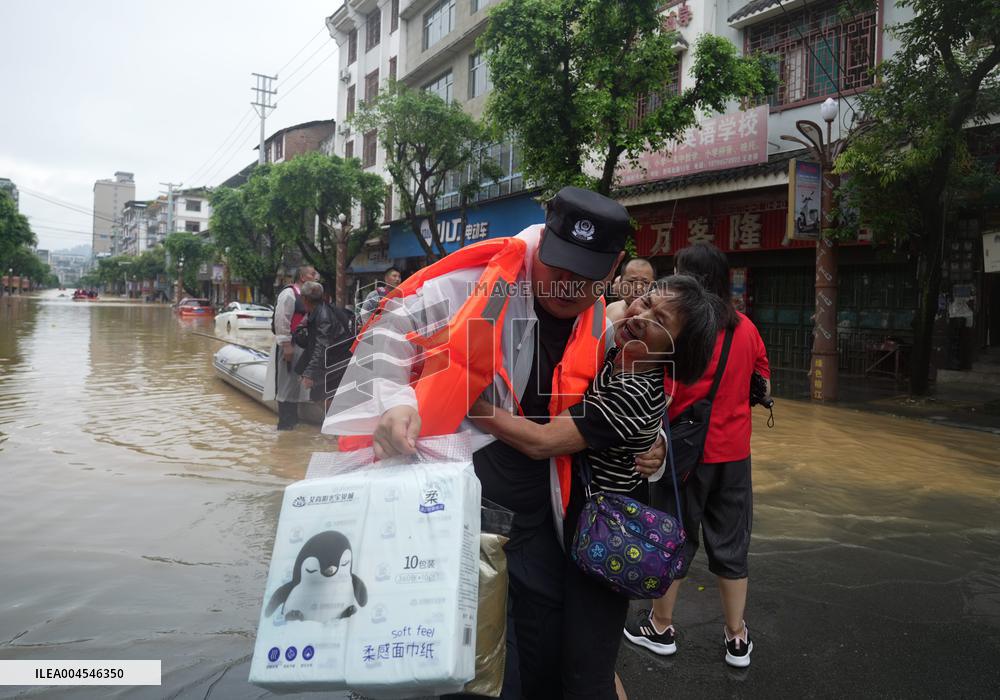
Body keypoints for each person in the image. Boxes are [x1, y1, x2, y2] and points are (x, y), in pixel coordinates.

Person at [324, 186, 668, 699]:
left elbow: (631, 400)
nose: (568, 286)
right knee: (466, 668)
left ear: (613, 267)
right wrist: (395, 401)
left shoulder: (604, 322)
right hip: (454, 516)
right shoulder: (481, 286)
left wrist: (654, 446)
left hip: (545, 523)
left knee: (544, 662)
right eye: (558, 267)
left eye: (586, 275)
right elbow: (389, 330)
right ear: (543, 241)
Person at [468, 274, 717, 699]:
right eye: (646, 301)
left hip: (604, 540)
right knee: (570, 652)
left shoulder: (633, 391)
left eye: (660, 320)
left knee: (587, 672)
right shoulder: (619, 351)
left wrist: (469, 403)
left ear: (678, 348)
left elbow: (541, 442)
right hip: (576, 527)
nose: (640, 315)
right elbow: (607, 309)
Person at [623, 242, 770, 669]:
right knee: (731, 544)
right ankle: (737, 637)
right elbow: (763, 380)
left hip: (684, 454)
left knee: (675, 537)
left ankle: (661, 627)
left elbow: (662, 389)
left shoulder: (681, 328)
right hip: (735, 454)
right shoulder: (748, 328)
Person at [263, 265, 318, 430]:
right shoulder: (288, 294)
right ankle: (285, 425)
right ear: (302, 277)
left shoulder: (309, 297)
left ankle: (294, 424)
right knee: (287, 384)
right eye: (312, 274)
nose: (316, 276)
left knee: (296, 385)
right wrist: (286, 345)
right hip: (291, 345)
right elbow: (282, 319)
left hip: (305, 346)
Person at [606, 258, 655, 324]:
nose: (638, 288)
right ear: (620, 282)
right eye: (631, 281)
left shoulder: (658, 318)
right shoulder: (611, 309)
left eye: (645, 282)